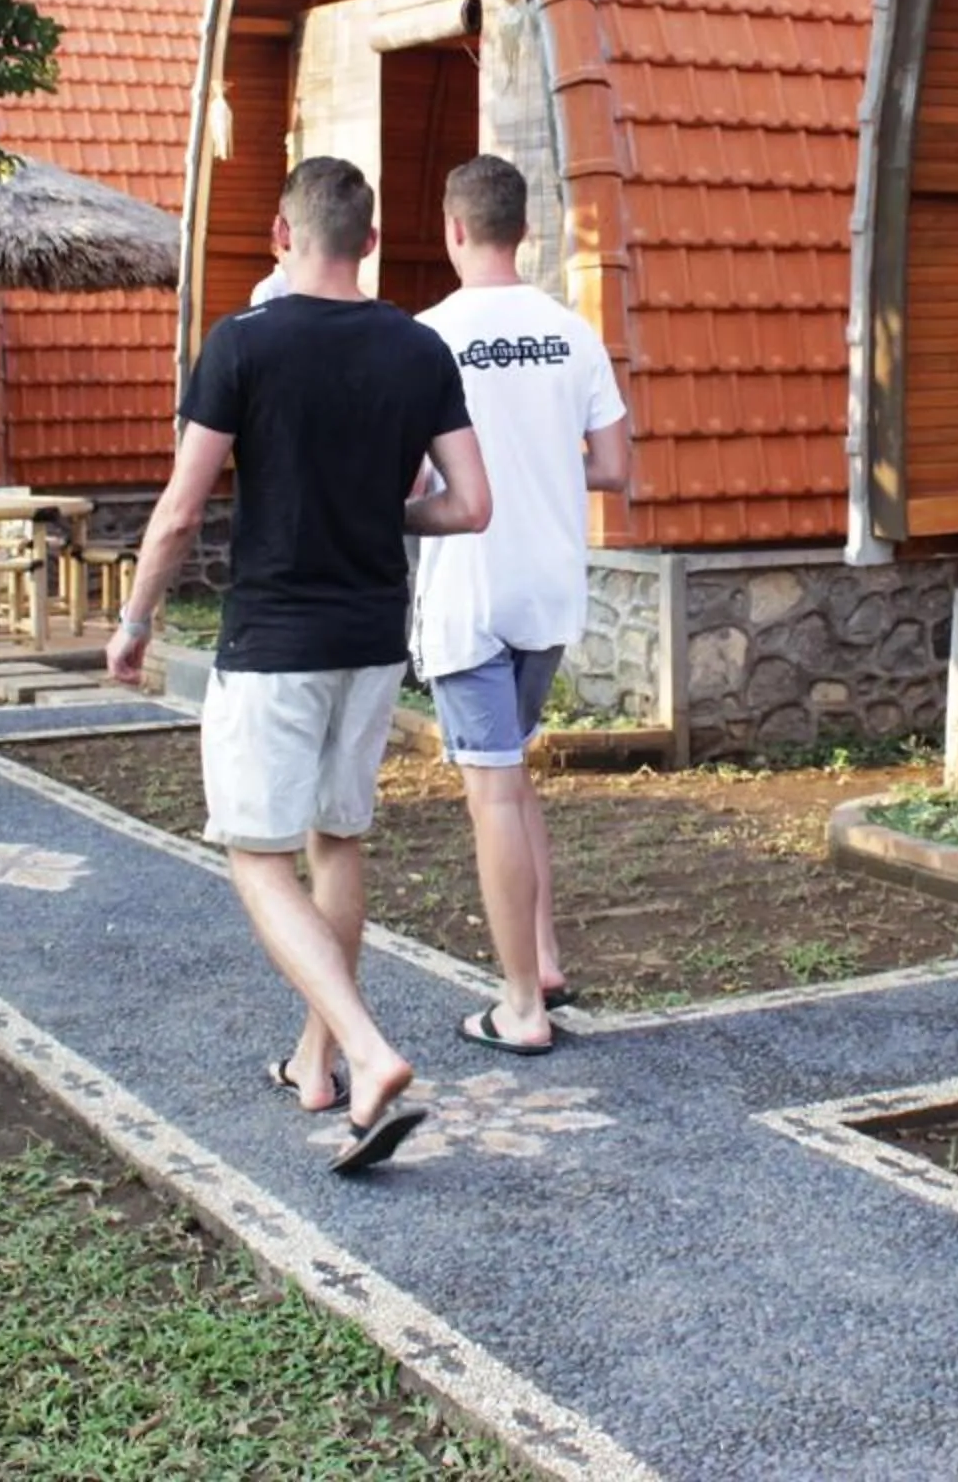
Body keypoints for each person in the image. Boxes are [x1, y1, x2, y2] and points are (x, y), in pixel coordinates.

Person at [107, 154, 489, 1175]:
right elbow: (469, 504)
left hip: (274, 640)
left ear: (282, 234)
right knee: (338, 840)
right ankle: (316, 1067)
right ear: (367, 241)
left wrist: (136, 618)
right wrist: (380, 511)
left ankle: (366, 1050)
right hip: (372, 639)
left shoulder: (243, 342)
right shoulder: (419, 347)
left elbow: (184, 507)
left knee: (255, 855)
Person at [412, 156, 628, 1056]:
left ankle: (520, 1011)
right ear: (524, 230)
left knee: (492, 794)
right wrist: (546, 463)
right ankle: (541, 959)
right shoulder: (572, 332)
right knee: (516, 776)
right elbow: (614, 468)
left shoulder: (423, 337)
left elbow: (412, 478)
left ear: (453, 230)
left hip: (469, 592)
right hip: (550, 592)